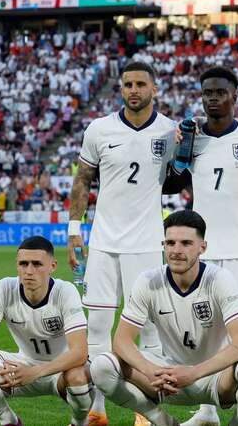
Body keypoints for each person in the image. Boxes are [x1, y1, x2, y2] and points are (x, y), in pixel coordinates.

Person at [163, 66, 238, 426]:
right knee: (206, 329)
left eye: (219, 92)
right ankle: (207, 411)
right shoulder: (191, 138)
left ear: (235, 95)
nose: (212, 98)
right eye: (207, 93)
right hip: (202, 252)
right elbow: (170, 184)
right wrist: (180, 151)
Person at [89, 210, 238, 426]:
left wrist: (194, 373)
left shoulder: (220, 279)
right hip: (166, 375)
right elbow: (121, 341)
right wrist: (149, 371)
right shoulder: (148, 281)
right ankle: (162, 421)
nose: (176, 250)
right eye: (170, 242)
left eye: (186, 243)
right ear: (163, 245)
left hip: (216, 377)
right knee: (101, 366)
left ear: (202, 247)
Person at [68, 61, 176, 426]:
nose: (133, 89)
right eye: (127, 84)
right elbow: (83, 179)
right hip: (102, 243)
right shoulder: (99, 129)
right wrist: (73, 231)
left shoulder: (169, 132)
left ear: (154, 88)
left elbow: (181, 176)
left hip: (146, 245)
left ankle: (143, 412)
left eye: (140, 84)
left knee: (148, 331)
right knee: (97, 327)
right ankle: (97, 410)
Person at [0, 236, 91, 426]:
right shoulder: (5, 287)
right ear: (17, 265)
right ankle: (8, 419)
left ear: (52, 266)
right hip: (23, 365)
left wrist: (36, 372)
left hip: (61, 370)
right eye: (23, 264)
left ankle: (80, 422)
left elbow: (80, 353)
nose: (29, 271)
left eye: (37, 264)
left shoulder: (65, 291)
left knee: (79, 377)